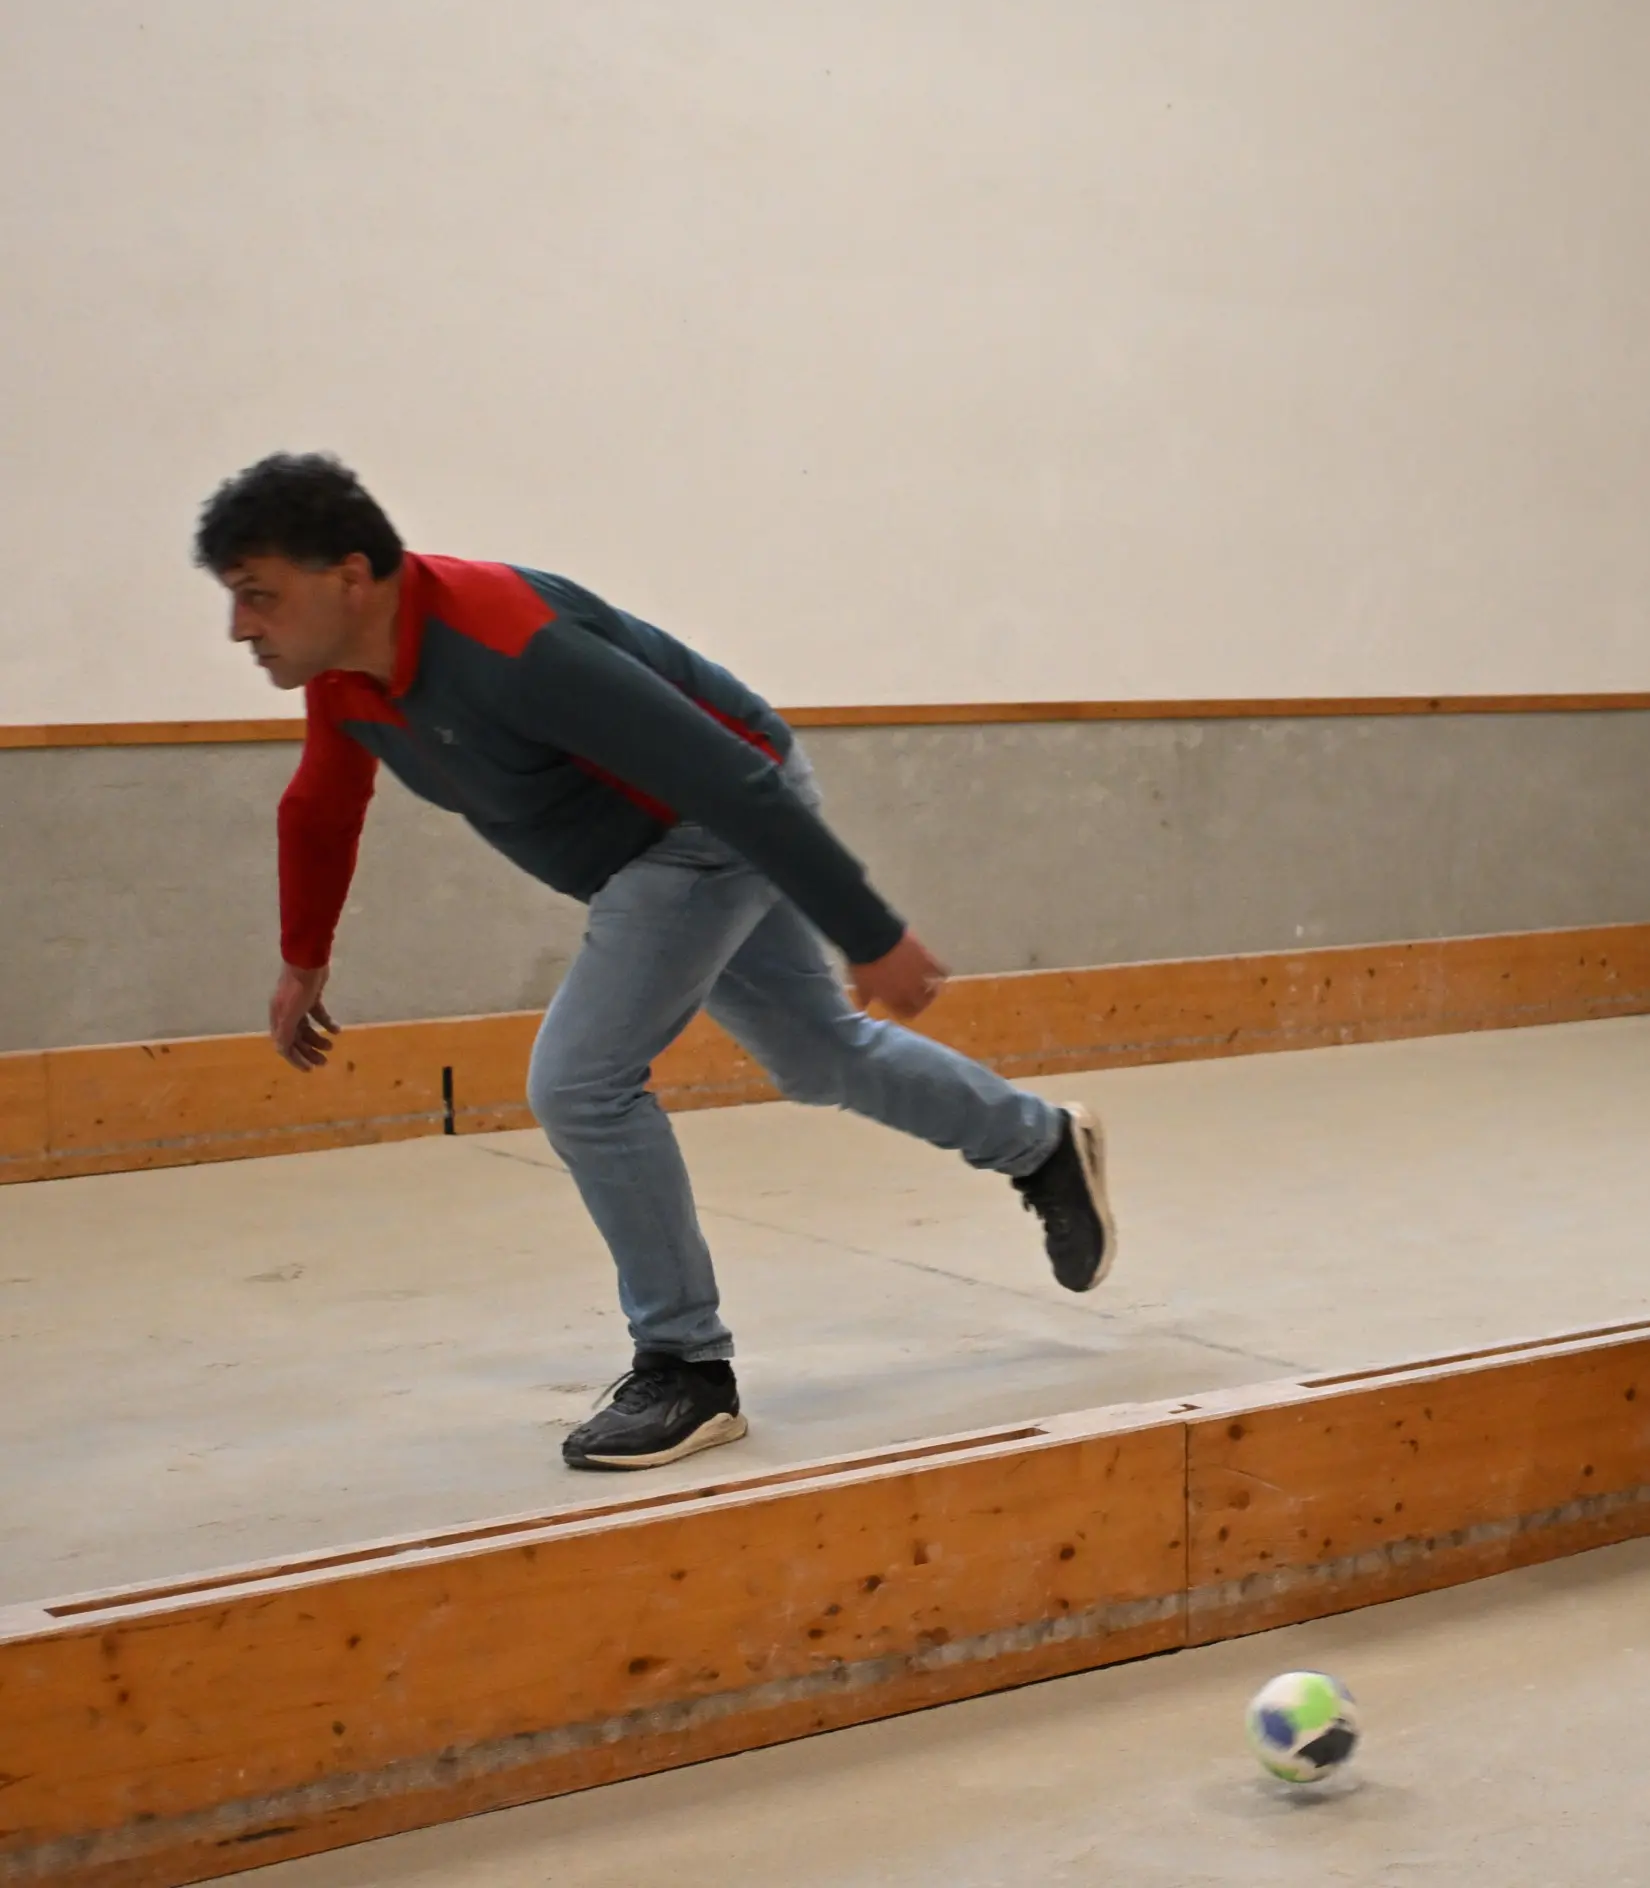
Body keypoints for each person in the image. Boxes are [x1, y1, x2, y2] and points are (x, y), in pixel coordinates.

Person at [198, 453, 1117, 1472]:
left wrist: (867, 929)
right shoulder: (345, 676)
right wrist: (303, 958)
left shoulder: (511, 642)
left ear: (352, 575)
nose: (242, 626)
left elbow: (727, 776)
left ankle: (685, 1364)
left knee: (581, 1082)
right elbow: (321, 804)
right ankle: (1040, 1143)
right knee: (816, 1056)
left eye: (259, 597)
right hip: (655, 843)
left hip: (707, 820)